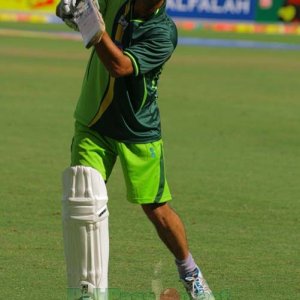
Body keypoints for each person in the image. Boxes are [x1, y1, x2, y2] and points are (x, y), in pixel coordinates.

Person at [56, 0, 215, 299]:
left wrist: (91, 26)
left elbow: (119, 66)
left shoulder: (163, 32)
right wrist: (71, 10)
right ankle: (88, 291)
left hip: (137, 131)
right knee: (83, 199)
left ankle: (190, 272)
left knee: (157, 211)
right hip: (94, 122)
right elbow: (85, 9)